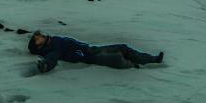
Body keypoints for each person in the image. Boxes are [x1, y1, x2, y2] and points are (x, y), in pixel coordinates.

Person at [27, 30, 164, 73]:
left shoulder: (53, 40)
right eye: (36, 39)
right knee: (117, 59)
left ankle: (152, 59)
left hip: (91, 49)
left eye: (38, 35)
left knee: (123, 48)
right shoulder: (52, 48)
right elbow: (53, 57)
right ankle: (134, 65)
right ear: (38, 47)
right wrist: (45, 65)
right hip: (89, 57)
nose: (39, 36)